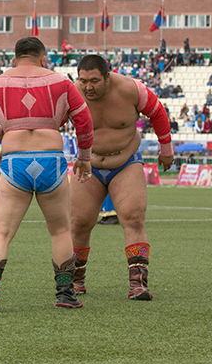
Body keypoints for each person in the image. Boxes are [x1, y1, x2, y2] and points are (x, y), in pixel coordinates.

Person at [0, 36, 94, 311]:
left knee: (1, 232)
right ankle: (65, 295)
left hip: (16, 162)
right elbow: (84, 121)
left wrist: (1, 131)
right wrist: (84, 158)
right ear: (43, 58)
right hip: (51, 160)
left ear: (14, 59)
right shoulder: (61, 81)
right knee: (61, 231)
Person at [71, 54, 174, 301]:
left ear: (108, 76)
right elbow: (52, 121)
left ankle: (138, 283)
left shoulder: (131, 89)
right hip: (88, 163)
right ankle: (75, 281)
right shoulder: (72, 93)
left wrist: (166, 149)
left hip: (125, 161)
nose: (88, 87)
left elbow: (158, 113)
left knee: (133, 218)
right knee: (78, 223)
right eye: (83, 80)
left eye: (94, 80)